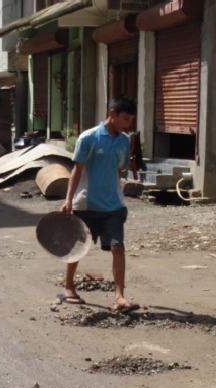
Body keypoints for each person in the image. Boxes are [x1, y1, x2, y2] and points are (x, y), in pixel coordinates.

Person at [60, 97, 139, 312]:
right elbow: (77, 170)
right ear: (112, 114)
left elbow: (119, 169)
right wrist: (68, 200)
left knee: (118, 247)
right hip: (86, 204)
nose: (128, 124)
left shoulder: (124, 140)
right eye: (125, 119)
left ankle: (120, 297)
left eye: (131, 120)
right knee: (78, 248)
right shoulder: (89, 138)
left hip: (113, 206)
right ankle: (68, 286)